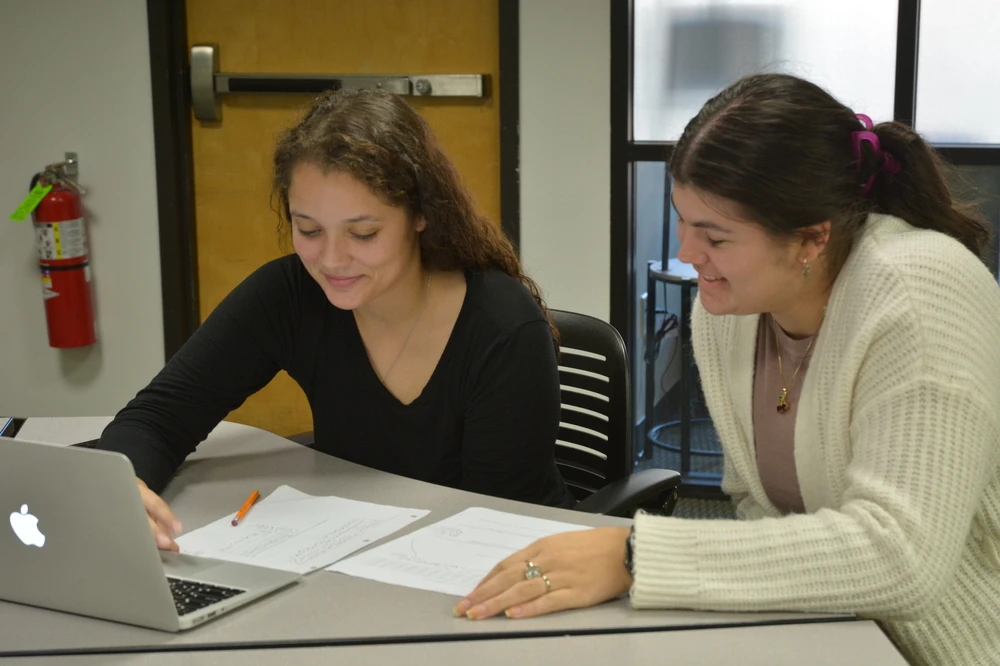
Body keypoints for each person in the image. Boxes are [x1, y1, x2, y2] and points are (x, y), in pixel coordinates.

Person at [456, 73, 1000, 666]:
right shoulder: (728, 312)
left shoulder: (920, 293)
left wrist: (637, 556)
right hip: (828, 630)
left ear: (810, 239)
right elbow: (757, 505)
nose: (688, 254)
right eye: (682, 222)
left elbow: (902, 556)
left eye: (714, 235)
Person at [97, 89, 575, 551]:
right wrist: (123, 487)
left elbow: (496, 529)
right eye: (308, 230)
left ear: (421, 215)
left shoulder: (502, 329)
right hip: (356, 553)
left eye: (363, 233)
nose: (331, 259)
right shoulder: (291, 295)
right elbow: (158, 418)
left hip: (485, 568)